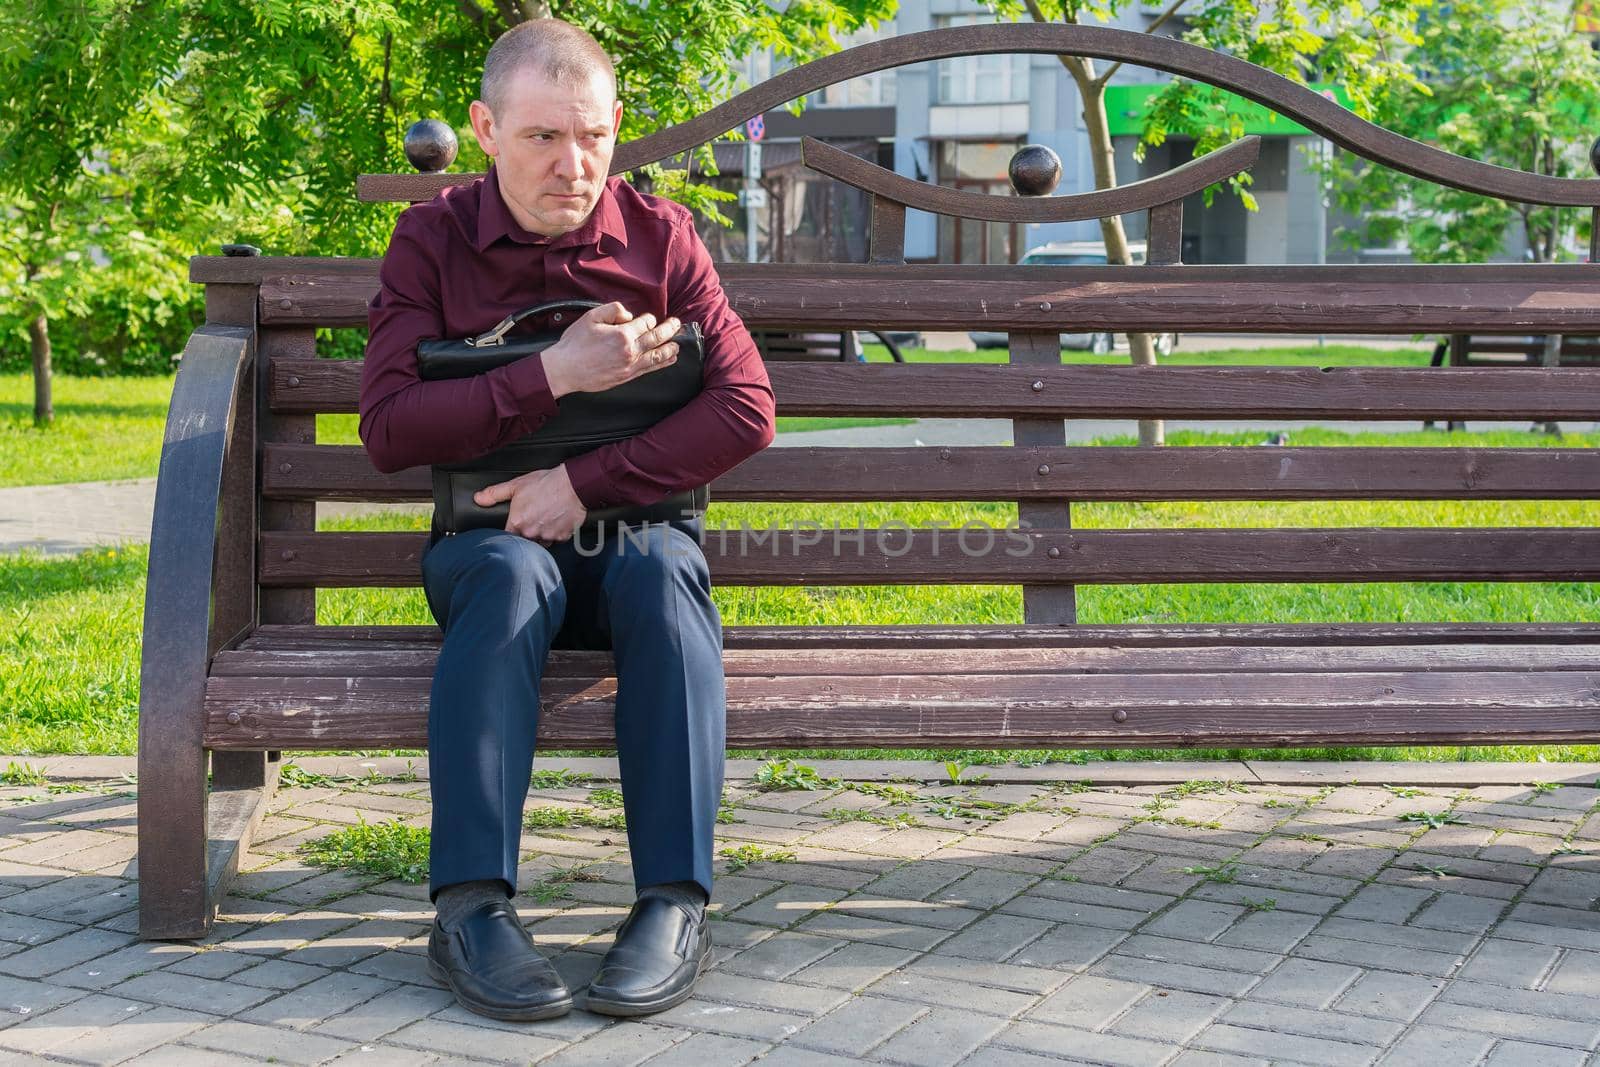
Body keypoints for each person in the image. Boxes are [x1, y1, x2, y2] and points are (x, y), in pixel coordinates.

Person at [358, 17, 776, 1022]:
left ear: (617, 126)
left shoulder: (662, 237)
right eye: (543, 136)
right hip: (484, 547)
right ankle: (469, 908)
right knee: (508, 578)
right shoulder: (430, 242)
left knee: (666, 578)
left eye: (590, 134)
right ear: (486, 128)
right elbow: (387, 426)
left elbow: (746, 406)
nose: (572, 162)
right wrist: (552, 373)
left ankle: (673, 901)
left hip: (631, 530)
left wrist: (585, 483)